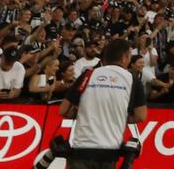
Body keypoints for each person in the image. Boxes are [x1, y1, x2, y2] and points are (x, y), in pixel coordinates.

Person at [59, 38, 146, 169]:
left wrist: (87, 113)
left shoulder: (88, 75)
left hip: (81, 149)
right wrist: (116, 116)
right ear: (124, 58)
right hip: (109, 151)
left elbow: (64, 110)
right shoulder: (132, 79)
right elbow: (141, 116)